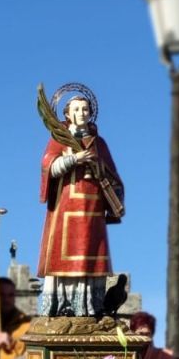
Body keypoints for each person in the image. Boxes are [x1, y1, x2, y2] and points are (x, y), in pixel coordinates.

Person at [38, 91, 124, 317]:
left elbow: (113, 174)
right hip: (65, 204)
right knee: (63, 254)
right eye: (76, 109)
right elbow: (48, 167)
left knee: (90, 254)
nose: (81, 113)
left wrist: (100, 171)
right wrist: (74, 159)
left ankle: (89, 306)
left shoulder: (98, 143)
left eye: (84, 109)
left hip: (93, 207)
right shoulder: (59, 138)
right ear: (67, 114)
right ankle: (63, 305)